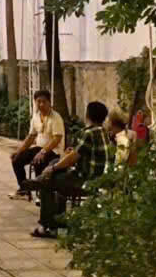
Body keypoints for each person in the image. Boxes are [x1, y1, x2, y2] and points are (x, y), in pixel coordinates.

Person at [31, 100, 112, 238]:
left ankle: (48, 226)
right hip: (98, 177)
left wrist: (53, 168)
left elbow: (73, 158)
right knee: (55, 167)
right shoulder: (104, 132)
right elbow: (77, 153)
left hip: (85, 179)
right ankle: (59, 222)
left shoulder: (88, 133)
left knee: (48, 181)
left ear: (88, 115)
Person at [9, 89, 65, 199]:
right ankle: (24, 190)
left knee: (39, 160)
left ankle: (41, 194)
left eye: (44, 101)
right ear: (35, 102)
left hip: (54, 151)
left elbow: (57, 139)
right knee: (16, 159)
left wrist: (43, 152)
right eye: (39, 101)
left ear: (49, 102)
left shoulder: (56, 117)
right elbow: (31, 137)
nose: (41, 104)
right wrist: (18, 151)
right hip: (38, 149)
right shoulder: (35, 116)